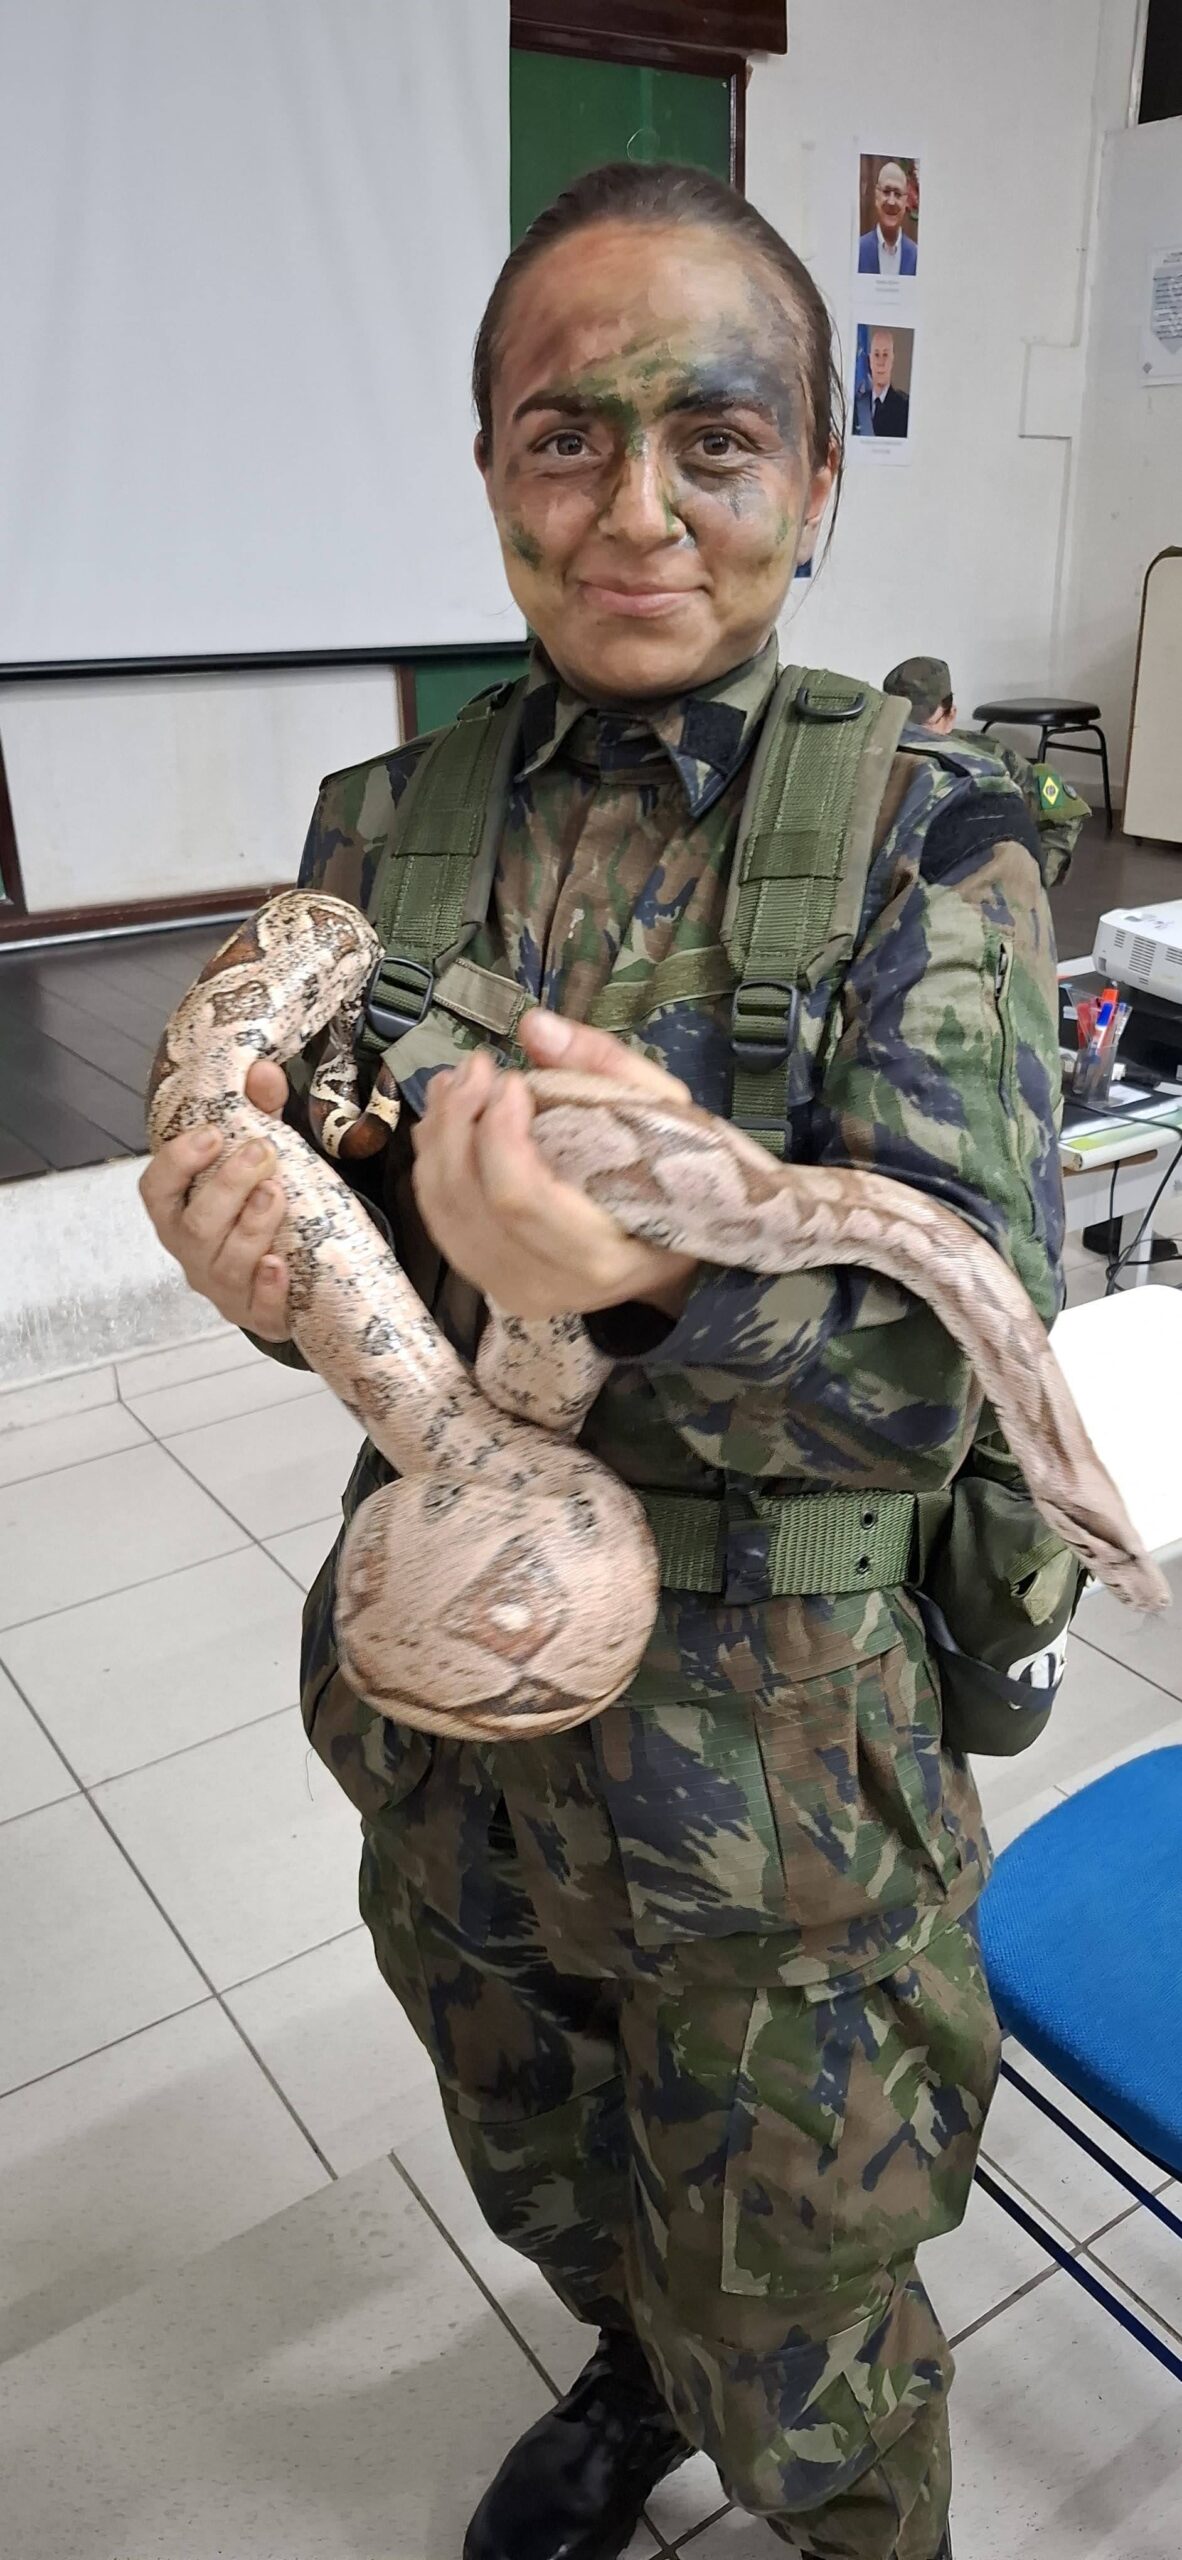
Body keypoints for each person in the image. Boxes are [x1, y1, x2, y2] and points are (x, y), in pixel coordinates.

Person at [142, 162, 1065, 2560]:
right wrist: (274, 1265)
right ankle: (626, 2367)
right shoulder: (380, 828)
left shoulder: (932, 837)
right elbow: (361, 1254)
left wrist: (651, 1276)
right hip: (455, 1747)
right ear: (489, 470)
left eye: (714, 439)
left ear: (815, 478)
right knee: (549, 2165)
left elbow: (941, 1376)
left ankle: (828, 2493)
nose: (637, 508)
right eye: (567, 436)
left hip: (778, 1790)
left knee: (808, 2316)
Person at [883, 655, 1091, 885]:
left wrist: (1034, 879)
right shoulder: (870, 754)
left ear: (951, 715)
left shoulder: (989, 757)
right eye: (903, 726)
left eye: (923, 727)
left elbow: (1063, 814)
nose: (913, 738)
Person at [858, 161, 918, 276]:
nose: (891, 202)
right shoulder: (857, 251)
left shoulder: (916, 256)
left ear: (906, 201)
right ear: (877, 195)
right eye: (886, 192)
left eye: (897, 194)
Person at [855, 327, 910, 437]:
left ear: (892, 359)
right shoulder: (857, 406)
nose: (881, 362)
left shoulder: (904, 408)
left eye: (885, 355)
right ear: (870, 360)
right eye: (876, 355)